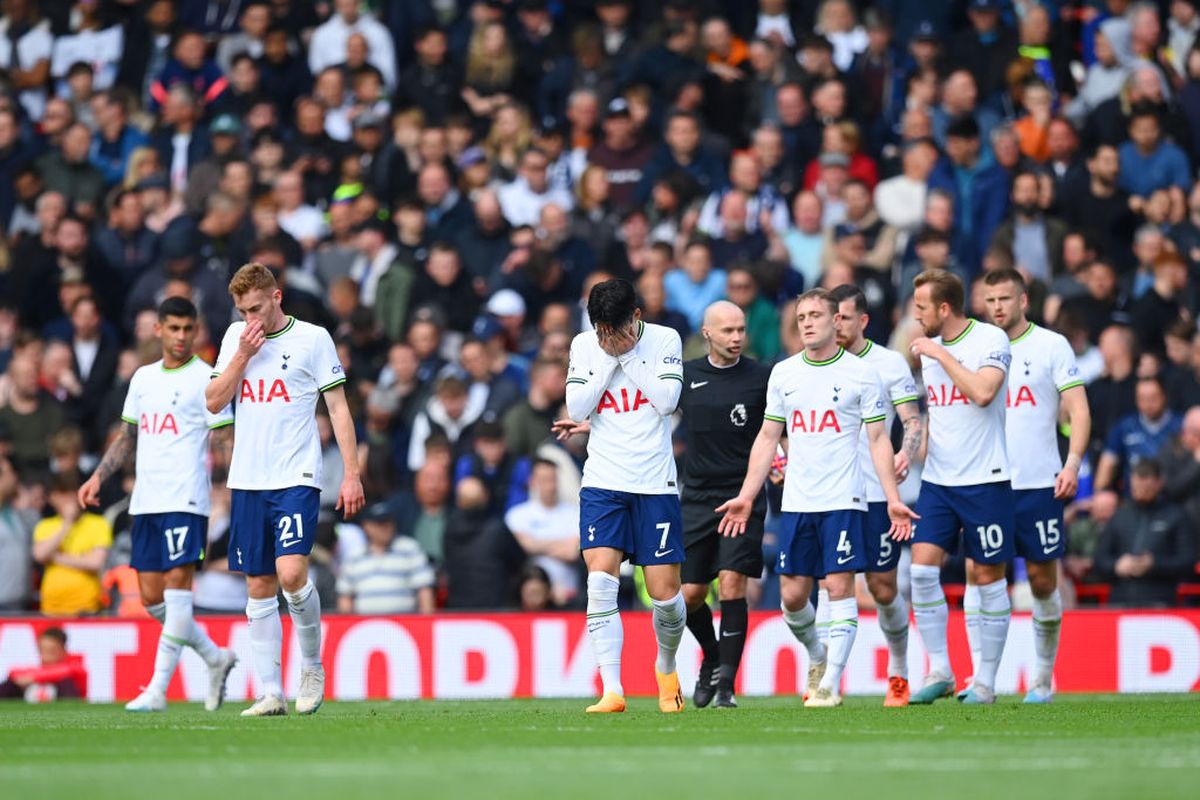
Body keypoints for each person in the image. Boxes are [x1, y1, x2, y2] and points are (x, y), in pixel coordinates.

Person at [717, 289, 917, 708]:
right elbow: (768, 438)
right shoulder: (785, 373)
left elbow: (878, 438)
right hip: (797, 501)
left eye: (815, 315)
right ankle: (817, 655)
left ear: (834, 320)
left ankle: (829, 685)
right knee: (792, 597)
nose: (807, 322)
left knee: (841, 586)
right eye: (801, 316)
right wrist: (746, 496)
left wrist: (892, 497)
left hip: (845, 499)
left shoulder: (861, 374)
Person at [205, 263, 364, 717]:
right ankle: (270, 691)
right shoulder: (237, 339)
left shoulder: (313, 339)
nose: (250, 318)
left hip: (296, 475)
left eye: (256, 308)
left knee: (292, 575)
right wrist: (241, 356)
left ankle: (312, 666)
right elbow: (214, 401)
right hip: (248, 478)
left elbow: (338, 408)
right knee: (258, 583)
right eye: (242, 310)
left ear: (277, 297)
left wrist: (351, 473)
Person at [78, 297, 238, 713]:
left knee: (178, 592)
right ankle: (215, 657)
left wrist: (237, 482)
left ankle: (157, 690)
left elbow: (224, 439)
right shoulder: (143, 379)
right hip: (146, 500)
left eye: (188, 329)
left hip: (186, 499)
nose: (181, 336)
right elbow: (127, 436)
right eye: (174, 328)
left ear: (197, 330)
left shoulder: (207, 379)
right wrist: (98, 476)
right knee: (152, 600)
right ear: (159, 330)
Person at [553, 278, 687, 714]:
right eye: (599, 330)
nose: (605, 338)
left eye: (613, 329)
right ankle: (612, 689)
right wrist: (609, 358)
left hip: (654, 483)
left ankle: (665, 668)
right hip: (603, 481)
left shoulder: (665, 339)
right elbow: (576, 408)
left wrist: (626, 355)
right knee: (599, 581)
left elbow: (667, 400)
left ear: (636, 317)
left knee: (665, 596)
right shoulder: (586, 344)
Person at [981, 269, 1092, 703]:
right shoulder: (975, 348)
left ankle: (1043, 677)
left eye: (1005, 298)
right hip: (986, 483)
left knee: (1043, 582)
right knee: (984, 577)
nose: (997, 308)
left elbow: (1078, 410)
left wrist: (1073, 463)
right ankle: (984, 681)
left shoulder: (1051, 345)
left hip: (1038, 483)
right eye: (990, 300)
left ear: (1023, 300)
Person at [908, 270, 1014, 705]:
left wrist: (939, 354)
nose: (916, 316)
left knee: (988, 578)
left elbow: (984, 393)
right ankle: (940, 669)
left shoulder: (990, 340)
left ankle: (985, 681)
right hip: (938, 480)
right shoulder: (930, 353)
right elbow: (940, 411)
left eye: (922, 308)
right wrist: (910, 449)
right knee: (920, 571)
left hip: (985, 480)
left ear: (944, 309)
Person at [828, 284, 924, 707]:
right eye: (832, 317)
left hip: (873, 495)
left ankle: (899, 670)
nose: (836, 326)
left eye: (844, 318)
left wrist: (907, 450)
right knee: (829, 587)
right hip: (827, 495)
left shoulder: (889, 364)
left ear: (863, 320)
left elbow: (911, 419)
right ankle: (825, 676)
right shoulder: (812, 365)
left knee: (883, 588)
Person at [675, 301, 771, 709]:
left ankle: (728, 687)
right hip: (696, 497)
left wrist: (781, 461)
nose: (736, 338)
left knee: (732, 583)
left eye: (741, 330)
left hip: (742, 495)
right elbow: (645, 414)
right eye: (727, 331)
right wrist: (595, 424)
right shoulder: (685, 376)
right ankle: (712, 657)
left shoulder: (762, 377)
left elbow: (775, 430)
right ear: (707, 332)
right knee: (691, 594)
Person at [1093, 458, 1197, 606]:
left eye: (1146, 488)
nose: (1141, 493)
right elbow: (1100, 558)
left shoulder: (1176, 516)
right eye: (1137, 488)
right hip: (1120, 601)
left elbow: (1188, 562)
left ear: (1159, 482)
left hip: (1160, 602)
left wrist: (1154, 564)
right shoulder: (1120, 515)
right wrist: (1117, 565)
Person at [32, 473, 112, 616]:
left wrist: (56, 558)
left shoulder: (99, 524)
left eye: (71, 494)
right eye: (61, 494)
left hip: (88, 608)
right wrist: (67, 524)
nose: (67, 500)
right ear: (51, 498)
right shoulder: (44, 525)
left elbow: (95, 563)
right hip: (51, 607)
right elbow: (40, 555)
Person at [504, 459, 581, 606]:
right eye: (545, 480)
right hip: (529, 601)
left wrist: (535, 545)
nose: (551, 486)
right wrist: (561, 544)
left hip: (567, 596)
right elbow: (521, 549)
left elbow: (571, 552)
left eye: (553, 479)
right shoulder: (516, 515)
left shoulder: (575, 514)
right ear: (532, 481)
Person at [336, 501, 435, 614]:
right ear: (366, 526)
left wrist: (426, 623)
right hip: (363, 628)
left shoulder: (410, 549)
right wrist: (346, 624)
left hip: (405, 627)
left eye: (389, 522)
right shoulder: (354, 556)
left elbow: (424, 592)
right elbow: (345, 597)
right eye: (380, 523)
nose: (386, 527)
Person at [0, 628, 86, 701]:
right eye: (42, 650)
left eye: (51, 651)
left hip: (64, 705)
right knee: (11, 684)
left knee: (66, 682)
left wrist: (34, 678)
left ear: (63, 650)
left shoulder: (75, 667)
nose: (46, 656)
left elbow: (68, 670)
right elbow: (13, 673)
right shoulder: (37, 671)